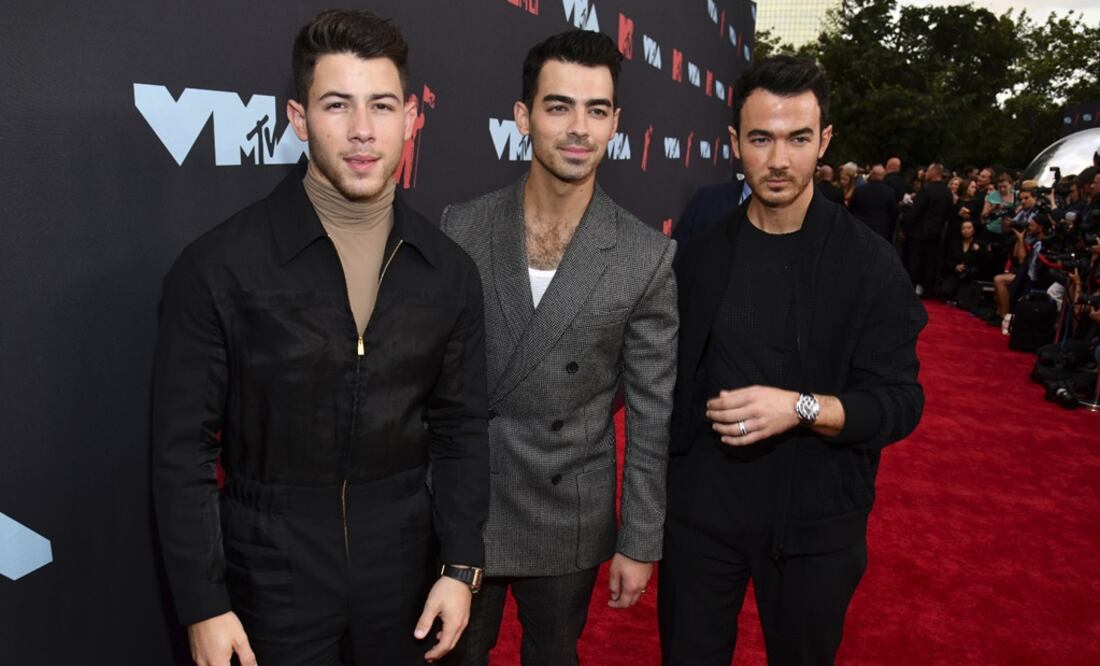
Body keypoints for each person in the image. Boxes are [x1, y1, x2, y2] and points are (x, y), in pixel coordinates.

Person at [151, 10, 489, 665]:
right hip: (267, 568)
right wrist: (203, 603)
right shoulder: (218, 266)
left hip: (404, 567)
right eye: (337, 105)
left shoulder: (450, 272)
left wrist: (462, 564)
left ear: (412, 117)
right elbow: (181, 454)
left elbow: (462, 430)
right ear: (299, 119)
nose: (363, 131)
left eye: (382, 106)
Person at [660, 55, 926, 665]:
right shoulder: (697, 259)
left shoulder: (870, 265)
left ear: (824, 140)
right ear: (734, 142)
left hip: (817, 522)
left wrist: (801, 408)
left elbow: (900, 403)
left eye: (798, 139)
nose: (779, 160)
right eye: (761, 138)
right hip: (703, 517)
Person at [440, 30, 677, 666]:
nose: (578, 128)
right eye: (558, 106)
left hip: (568, 505)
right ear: (523, 117)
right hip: (468, 501)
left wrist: (641, 538)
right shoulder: (460, 228)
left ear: (615, 124)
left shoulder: (645, 256)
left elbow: (653, 414)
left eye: (596, 110)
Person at [993, 186, 1047, 317]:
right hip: (1019, 260)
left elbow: (1025, 258)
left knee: (999, 280)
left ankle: (1005, 317)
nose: (1023, 202)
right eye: (1021, 199)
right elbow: (1008, 229)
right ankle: (1000, 314)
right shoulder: (1022, 212)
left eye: (1026, 198)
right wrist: (1006, 219)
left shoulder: (1039, 216)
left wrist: (1021, 238)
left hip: (1028, 269)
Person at [903, 163, 952, 296]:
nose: (925, 174)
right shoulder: (947, 192)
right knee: (930, 262)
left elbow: (916, 211)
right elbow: (948, 214)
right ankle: (928, 289)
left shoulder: (927, 190)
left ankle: (911, 288)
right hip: (936, 233)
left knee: (915, 261)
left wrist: (905, 226)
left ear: (934, 173)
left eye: (928, 171)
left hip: (919, 232)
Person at [848, 163, 898, 242]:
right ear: (883, 175)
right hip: (880, 231)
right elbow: (893, 214)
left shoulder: (859, 190)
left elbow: (851, 209)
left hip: (860, 229)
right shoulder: (890, 192)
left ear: (871, 174)